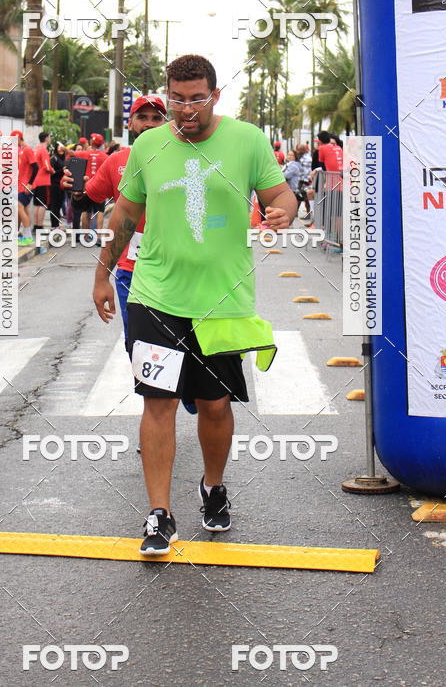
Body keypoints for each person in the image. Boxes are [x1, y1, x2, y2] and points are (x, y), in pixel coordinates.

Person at [92, 54, 297, 555]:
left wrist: (281, 213)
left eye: (196, 99)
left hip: (223, 302)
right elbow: (125, 211)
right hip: (155, 295)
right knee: (157, 401)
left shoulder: (246, 141)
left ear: (215, 96)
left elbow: (283, 195)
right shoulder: (148, 145)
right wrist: (101, 273)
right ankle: (159, 514)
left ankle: (212, 485)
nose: (186, 109)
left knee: (215, 404)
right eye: (177, 99)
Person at [77, 95, 167, 337]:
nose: (149, 123)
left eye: (157, 118)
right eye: (142, 117)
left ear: (167, 123)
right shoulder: (116, 160)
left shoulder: (181, 158)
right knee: (138, 346)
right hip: (130, 271)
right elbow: (87, 202)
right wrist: (74, 190)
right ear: (130, 123)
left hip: (174, 270)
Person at [12, 130, 37, 245]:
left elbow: (35, 167)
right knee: (24, 210)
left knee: (19, 207)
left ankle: (27, 236)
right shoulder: (21, 150)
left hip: (26, 186)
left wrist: (30, 184)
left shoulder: (27, 150)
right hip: (21, 185)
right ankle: (22, 235)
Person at [32, 131, 53, 230]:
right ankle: (40, 226)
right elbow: (47, 166)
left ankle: (36, 225)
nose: (50, 139)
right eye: (49, 137)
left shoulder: (35, 149)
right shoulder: (44, 150)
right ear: (46, 138)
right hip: (44, 180)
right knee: (43, 204)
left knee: (36, 204)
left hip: (35, 180)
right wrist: (53, 171)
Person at [49, 141, 67, 228]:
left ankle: (57, 225)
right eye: (59, 147)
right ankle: (54, 225)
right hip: (55, 185)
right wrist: (62, 170)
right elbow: (52, 173)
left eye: (62, 147)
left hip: (62, 185)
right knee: (55, 206)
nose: (61, 148)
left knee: (59, 206)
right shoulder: (54, 158)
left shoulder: (63, 159)